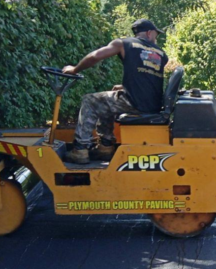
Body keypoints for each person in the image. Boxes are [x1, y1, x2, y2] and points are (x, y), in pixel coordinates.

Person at [61, 19, 168, 164]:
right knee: (106, 101)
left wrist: (74, 70)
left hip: (133, 103)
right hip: (153, 105)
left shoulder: (124, 44)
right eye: (156, 35)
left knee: (90, 100)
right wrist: (125, 88)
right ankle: (105, 147)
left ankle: (80, 149)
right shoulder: (161, 54)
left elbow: (95, 56)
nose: (156, 39)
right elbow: (147, 79)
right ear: (149, 33)